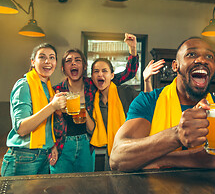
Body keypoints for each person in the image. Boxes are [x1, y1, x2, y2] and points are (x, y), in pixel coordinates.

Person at [109, 37, 215, 172]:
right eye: (191, 54)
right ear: (175, 66)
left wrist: (163, 160)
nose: (202, 60)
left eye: (209, 57)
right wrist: (176, 135)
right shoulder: (148, 101)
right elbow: (117, 158)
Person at [50, 33, 140, 174]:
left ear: (84, 66)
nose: (73, 63)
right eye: (69, 61)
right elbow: (48, 122)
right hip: (63, 144)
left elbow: (128, 73)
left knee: (85, 185)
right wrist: (52, 146)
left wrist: (133, 50)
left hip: (87, 144)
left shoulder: (93, 84)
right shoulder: (56, 90)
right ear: (63, 68)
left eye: (77, 60)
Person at [1, 43, 67, 176]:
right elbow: (22, 128)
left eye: (52, 57)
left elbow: (46, 125)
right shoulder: (24, 85)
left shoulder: (48, 89)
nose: (47, 61)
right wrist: (52, 106)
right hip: (23, 157)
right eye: (42, 57)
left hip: (43, 156)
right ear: (33, 62)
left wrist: (51, 144)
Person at [89, 58, 164, 170]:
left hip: (132, 150)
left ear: (112, 75)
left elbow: (147, 103)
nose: (100, 74)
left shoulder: (125, 92)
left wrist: (147, 80)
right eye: (96, 71)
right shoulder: (93, 101)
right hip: (109, 154)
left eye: (104, 71)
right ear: (92, 77)